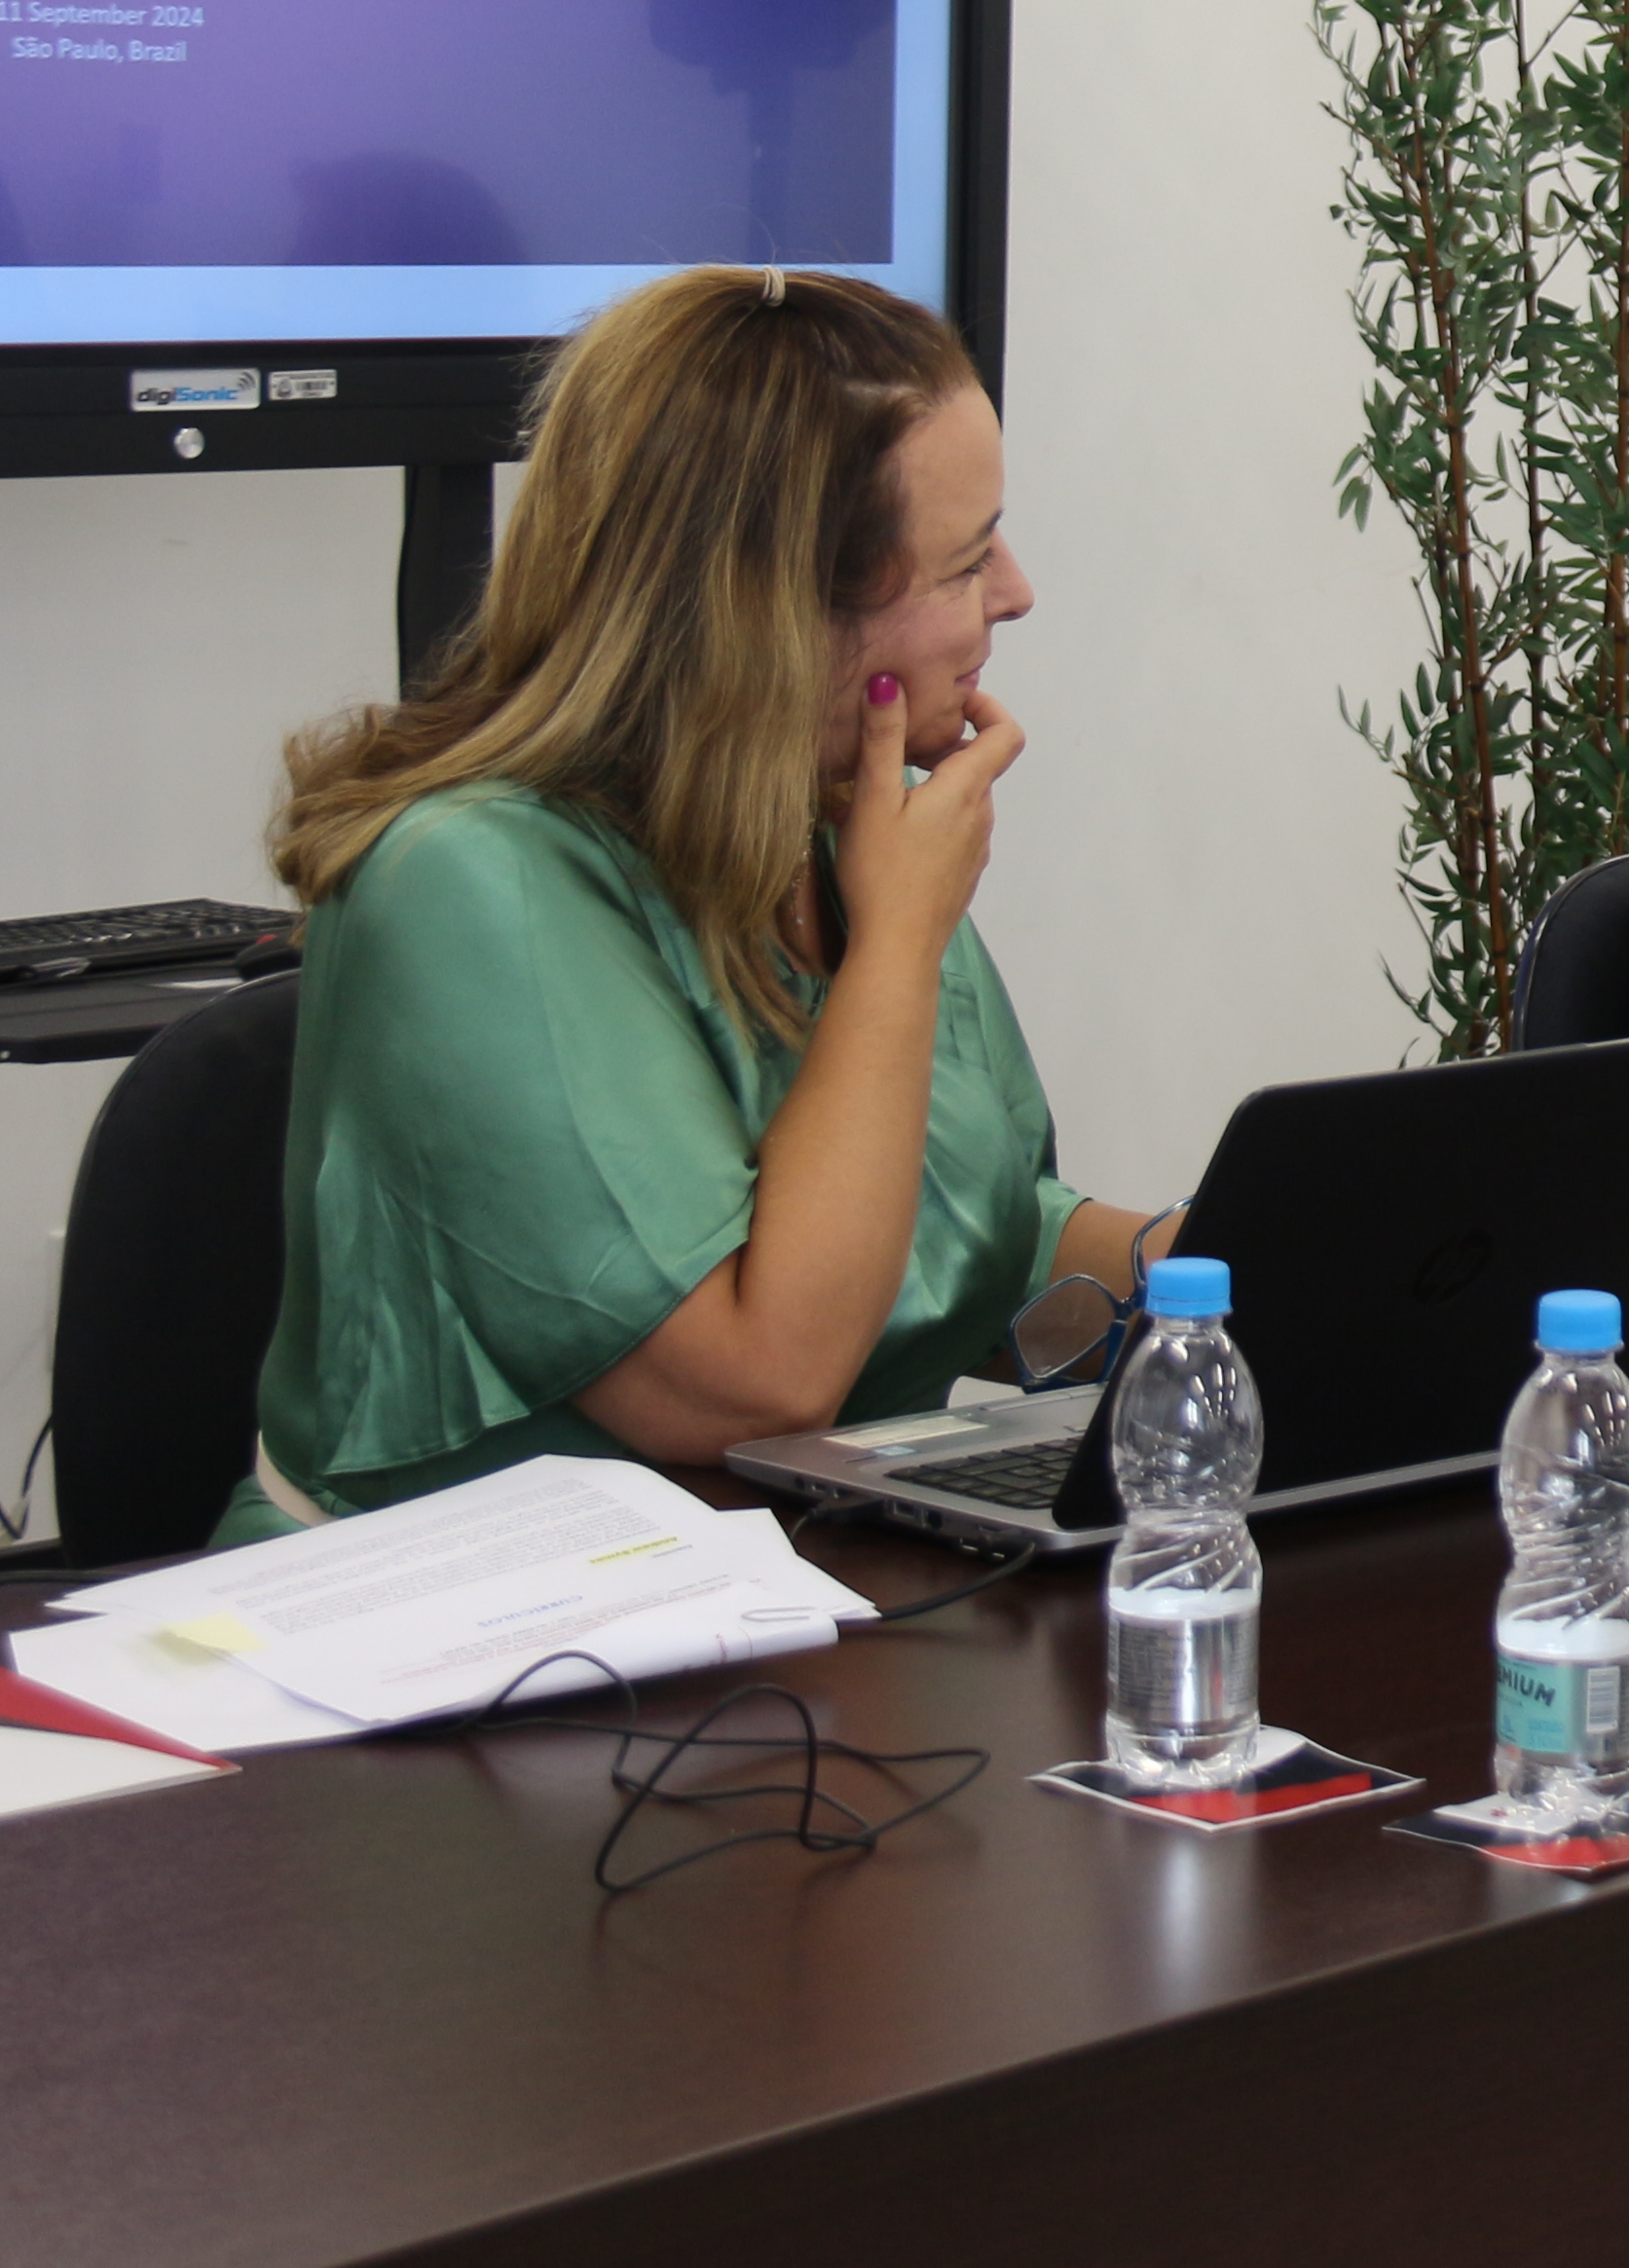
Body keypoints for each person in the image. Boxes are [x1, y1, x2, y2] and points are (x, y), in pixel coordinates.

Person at [226, 267, 1151, 1540]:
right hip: (473, 1660)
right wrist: (893, 947)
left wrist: (1262, 1272)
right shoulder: (466, 881)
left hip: (802, 1611)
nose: (1016, 592)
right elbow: (755, 1384)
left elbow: (959, 1239)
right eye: (965, 557)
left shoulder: (835, 825)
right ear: (775, 611)